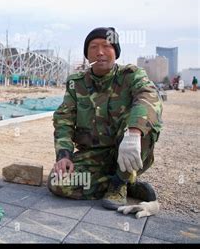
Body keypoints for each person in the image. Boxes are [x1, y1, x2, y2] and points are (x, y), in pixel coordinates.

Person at [48, 27, 163, 215]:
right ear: (87, 54)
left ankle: (119, 184)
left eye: (106, 46)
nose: (99, 52)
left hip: (127, 146)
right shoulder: (76, 83)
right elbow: (64, 119)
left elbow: (149, 97)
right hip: (94, 155)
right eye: (93, 47)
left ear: (116, 52)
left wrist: (134, 133)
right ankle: (125, 182)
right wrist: (64, 155)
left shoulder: (131, 75)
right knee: (58, 181)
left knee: (144, 123)